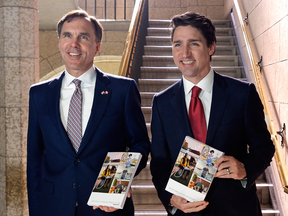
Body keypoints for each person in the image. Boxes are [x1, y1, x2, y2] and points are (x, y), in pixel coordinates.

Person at [150, 12, 275, 216]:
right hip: (187, 211)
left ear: (211, 47)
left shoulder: (242, 94)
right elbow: (160, 162)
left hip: (237, 209)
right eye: (177, 44)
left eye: (194, 44)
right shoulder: (161, 102)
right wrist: (171, 198)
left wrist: (245, 169)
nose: (185, 53)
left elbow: (264, 147)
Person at [27, 10, 150, 216]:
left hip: (106, 207)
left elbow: (140, 144)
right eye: (67, 35)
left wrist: (119, 182)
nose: (73, 44)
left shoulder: (123, 90)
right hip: (54, 207)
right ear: (59, 43)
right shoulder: (39, 94)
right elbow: (35, 161)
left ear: (97, 47)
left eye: (83, 37)